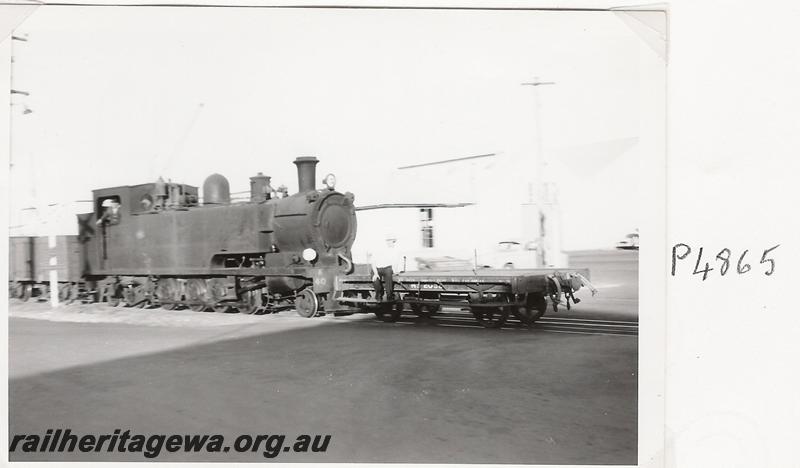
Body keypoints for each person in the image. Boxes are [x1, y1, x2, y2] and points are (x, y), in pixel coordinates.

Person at [367, 235, 404, 302]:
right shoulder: (378, 250)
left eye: (393, 242)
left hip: (387, 268)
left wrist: (396, 272)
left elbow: (394, 262)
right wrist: (375, 273)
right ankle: (379, 295)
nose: (391, 243)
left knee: (389, 278)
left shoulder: (392, 250)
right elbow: (373, 262)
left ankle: (389, 295)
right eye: (390, 241)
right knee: (375, 281)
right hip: (377, 268)